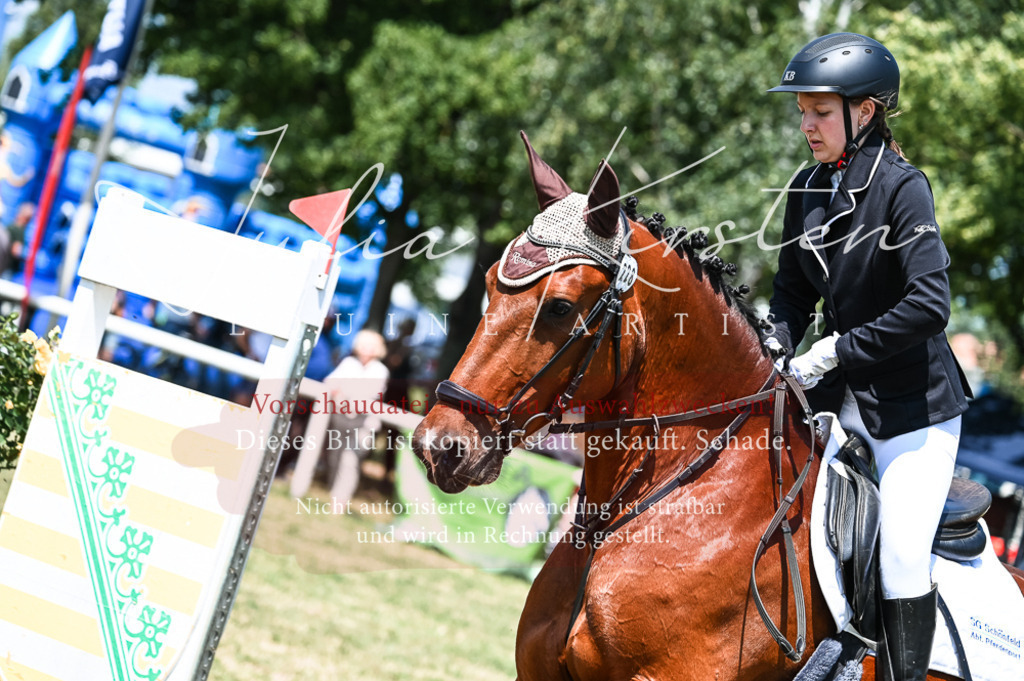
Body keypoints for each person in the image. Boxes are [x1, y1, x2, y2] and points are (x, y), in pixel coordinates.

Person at [764, 33, 972, 681]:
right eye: (802, 112)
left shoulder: (904, 189)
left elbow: (929, 306)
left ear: (865, 112)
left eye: (819, 113)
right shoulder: (807, 190)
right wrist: (775, 343)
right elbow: (791, 292)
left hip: (914, 411)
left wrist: (833, 350)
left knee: (904, 554)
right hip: (836, 404)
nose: (806, 125)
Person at [323, 329, 389, 505]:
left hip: (364, 424)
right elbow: (330, 382)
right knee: (335, 457)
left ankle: (340, 500)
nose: (367, 349)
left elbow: (369, 394)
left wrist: (345, 393)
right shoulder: (348, 363)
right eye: (364, 344)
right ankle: (332, 491)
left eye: (372, 346)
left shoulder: (380, 370)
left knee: (350, 460)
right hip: (341, 419)